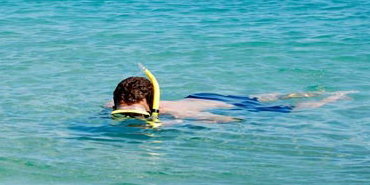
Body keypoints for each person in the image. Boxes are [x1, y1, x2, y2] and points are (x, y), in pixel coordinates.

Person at [109, 75, 354, 124]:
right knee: (259, 96)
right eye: (124, 111)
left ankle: (332, 98)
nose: (128, 114)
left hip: (224, 105)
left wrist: (232, 121)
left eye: (133, 113)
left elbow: (224, 119)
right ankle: (302, 91)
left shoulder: (177, 114)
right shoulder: (115, 104)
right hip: (196, 97)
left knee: (291, 109)